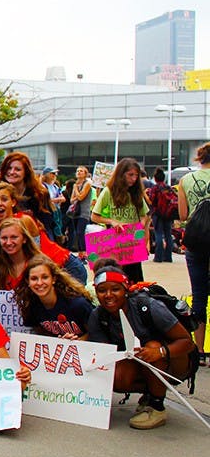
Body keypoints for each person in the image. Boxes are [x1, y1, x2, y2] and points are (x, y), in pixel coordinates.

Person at [87, 266, 197, 429]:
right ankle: (150, 393)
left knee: (152, 346)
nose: (108, 295)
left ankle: (157, 407)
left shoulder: (147, 306)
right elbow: (101, 354)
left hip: (174, 361)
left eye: (115, 289)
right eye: (102, 290)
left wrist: (159, 352)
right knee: (115, 375)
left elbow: (187, 342)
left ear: (126, 289)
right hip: (138, 361)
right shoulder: (98, 315)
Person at [0, 182, 87, 285]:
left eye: (4, 199)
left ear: (13, 202)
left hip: (65, 266)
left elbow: (29, 255)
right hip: (45, 274)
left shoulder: (23, 220)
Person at [91, 158, 149, 282]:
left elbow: (144, 214)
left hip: (132, 242)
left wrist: (141, 225)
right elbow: (94, 216)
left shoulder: (136, 193)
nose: (133, 179)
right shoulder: (108, 192)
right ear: (121, 174)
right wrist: (112, 221)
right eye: (130, 175)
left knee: (135, 280)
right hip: (114, 242)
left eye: (136, 175)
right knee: (116, 277)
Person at [178, 142, 210, 365]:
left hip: (196, 243)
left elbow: (182, 214)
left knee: (199, 296)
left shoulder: (185, 180)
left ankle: (199, 352)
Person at [14, 255, 93, 340]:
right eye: (34, 278)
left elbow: (96, 332)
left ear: (54, 279)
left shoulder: (78, 304)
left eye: (45, 277)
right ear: (28, 281)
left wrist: (76, 342)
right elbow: (38, 332)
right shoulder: (31, 306)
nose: (39, 283)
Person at [0, 152, 57, 241]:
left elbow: (48, 225)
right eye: (9, 168)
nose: (12, 172)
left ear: (26, 172)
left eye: (17, 169)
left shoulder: (38, 194)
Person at [148, 168, 176, 263]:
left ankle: (158, 257)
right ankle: (168, 257)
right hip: (168, 214)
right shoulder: (168, 188)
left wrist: (145, 194)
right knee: (168, 234)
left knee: (158, 234)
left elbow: (151, 201)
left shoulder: (155, 188)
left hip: (157, 214)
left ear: (155, 178)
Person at [68, 165, 94, 254]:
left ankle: (84, 252)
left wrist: (76, 190)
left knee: (80, 232)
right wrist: (77, 194)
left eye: (81, 171)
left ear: (85, 174)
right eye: (77, 171)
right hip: (75, 212)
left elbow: (81, 197)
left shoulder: (88, 183)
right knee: (76, 233)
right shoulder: (76, 184)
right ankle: (80, 252)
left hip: (84, 212)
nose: (79, 172)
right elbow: (71, 200)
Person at [42, 167, 66, 241]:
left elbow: (63, 199)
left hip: (56, 212)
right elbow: (45, 200)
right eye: (52, 173)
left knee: (57, 230)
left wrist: (53, 200)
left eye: (55, 173)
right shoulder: (42, 186)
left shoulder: (55, 187)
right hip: (47, 212)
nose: (54, 175)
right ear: (46, 175)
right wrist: (57, 200)